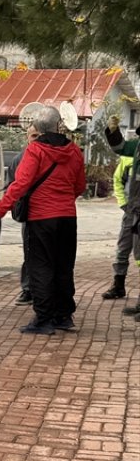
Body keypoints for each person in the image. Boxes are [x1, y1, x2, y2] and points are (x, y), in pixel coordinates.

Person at [0, 106, 86, 334]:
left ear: (38, 129)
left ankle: (44, 319)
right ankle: (63, 316)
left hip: (41, 218)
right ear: (59, 126)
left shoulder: (35, 150)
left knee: (40, 267)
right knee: (63, 266)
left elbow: (20, 185)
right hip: (68, 217)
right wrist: (63, 201)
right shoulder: (75, 151)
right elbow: (79, 186)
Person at [103, 117, 140, 319]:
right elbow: (120, 147)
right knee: (126, 248)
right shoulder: (137, 146)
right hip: (133, 209)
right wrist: (112, 130)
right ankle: (119, 285)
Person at [6, 126, 40, 305]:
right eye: (33, 135)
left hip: (47, 212)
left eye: (38, 135)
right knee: (29, 251)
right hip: (28, 213)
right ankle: (27, 289)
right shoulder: (19, 159)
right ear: (27, 137)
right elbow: (11, 186)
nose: (35, 138)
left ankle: (44, 290)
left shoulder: (49, 156)